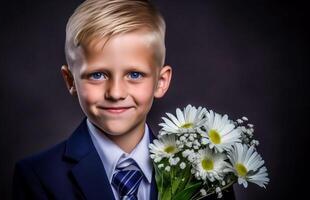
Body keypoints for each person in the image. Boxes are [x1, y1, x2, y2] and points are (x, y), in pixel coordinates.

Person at [13, 0, 235, 199]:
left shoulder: (205, 174)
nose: (116, 93)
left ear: (161, 81)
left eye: (134, 74)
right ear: (70, 80)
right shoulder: (39, 176)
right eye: (97, 75)